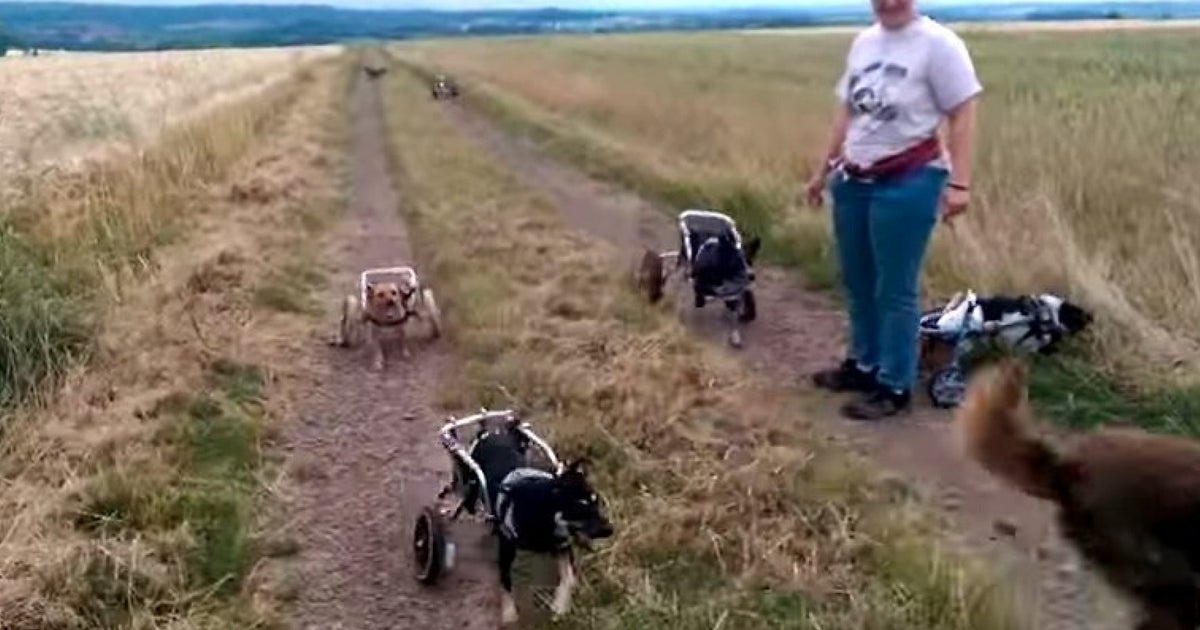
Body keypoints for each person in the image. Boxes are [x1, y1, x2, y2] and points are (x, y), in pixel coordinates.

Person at [804, 0, 982, 420]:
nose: (887, 2)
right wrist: (822, 171)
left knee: (895, 288)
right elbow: (847, 114)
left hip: (909, 181)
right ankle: (863, 364)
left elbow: (963, 111)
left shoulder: (939, 44)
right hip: (853, 179)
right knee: (858, 279)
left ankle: (894, 384)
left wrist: (960, 184)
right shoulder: (864, 43)